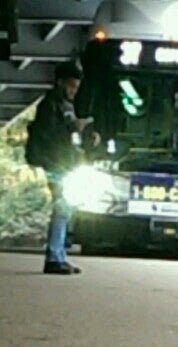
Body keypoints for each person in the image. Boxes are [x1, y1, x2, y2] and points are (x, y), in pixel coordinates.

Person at [30, 61, 100, 275]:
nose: (73, 91)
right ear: (60, 83)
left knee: (65, 208)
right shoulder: (52, 104)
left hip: (61, 161)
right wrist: (76, 127)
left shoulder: (63, 104)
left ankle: (58, 255)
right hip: (55, 161)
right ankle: (54, 257)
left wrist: (84, 132)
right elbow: (53, 133)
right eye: (71, 86)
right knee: (62, 207)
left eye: (76, 87)